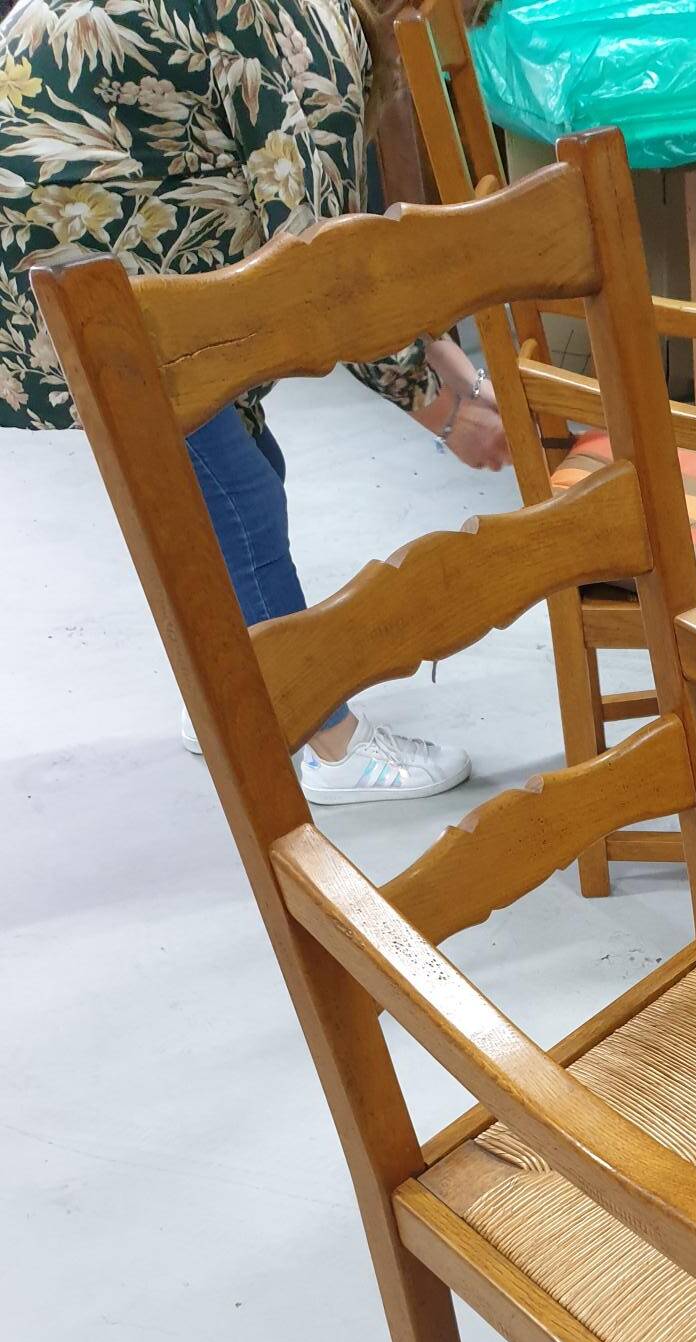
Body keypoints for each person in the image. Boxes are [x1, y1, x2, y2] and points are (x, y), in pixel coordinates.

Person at [0, 0, 509, 802]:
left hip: (93, 211)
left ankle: (233, 698)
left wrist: (440, 355)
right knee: (235, 489)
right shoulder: (315, 32)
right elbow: (313, 259)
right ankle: (322, 739)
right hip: (69, 236)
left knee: (236, 456)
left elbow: (337, 227)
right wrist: (443, 411)